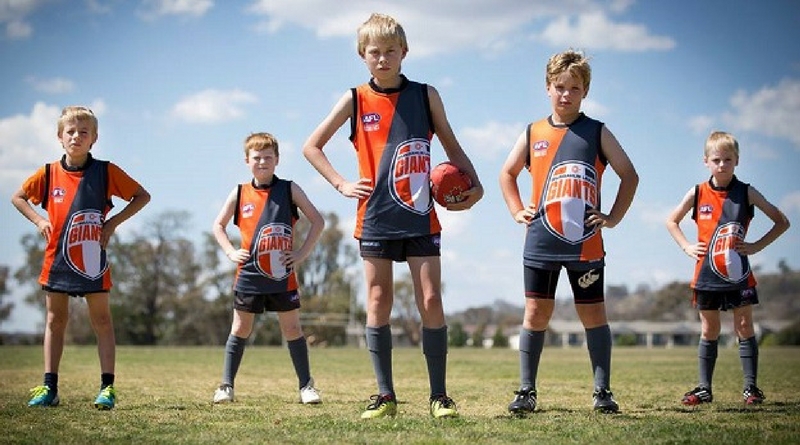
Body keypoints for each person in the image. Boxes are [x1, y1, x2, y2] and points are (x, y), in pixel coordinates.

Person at [303, 13, 483, 419]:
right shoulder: (353, 98)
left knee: (432, 300)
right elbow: (312, 146)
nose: (382, 59)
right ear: (362, 56)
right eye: (374, 53)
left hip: (421, 214)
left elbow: (452, 146)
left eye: (390, 51)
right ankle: (385, 396)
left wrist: (476, 184)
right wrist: (340, 184)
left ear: (404, 52)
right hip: (376, 217)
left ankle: (439, 397)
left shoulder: (426, 95)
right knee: (378, 300)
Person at [498, 49, 638, 415]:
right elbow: (507, 173)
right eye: (559, 87)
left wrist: (613, 217)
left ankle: (602, 391)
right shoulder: (533, 132)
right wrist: (517, 210)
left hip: (585, 245)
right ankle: (526, 391)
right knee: (535, 314)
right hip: (541, 242)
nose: (565, 94)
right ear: (547, 87)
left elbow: (629, 175)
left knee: (593, 316)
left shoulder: (597, 131)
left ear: (584, 92)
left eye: (574, 88)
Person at [11, 106, 151, 409]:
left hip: (92, 261)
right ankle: (50, 388)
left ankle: (107, 388)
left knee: (102, 320)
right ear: (60, 137)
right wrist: (38, 220)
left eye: (83, 132)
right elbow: (18, 197)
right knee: (54, 321)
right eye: (70, 132)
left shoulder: (106, 171)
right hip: (57, 261)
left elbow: (142, 195)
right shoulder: (48, 173)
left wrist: (112, 224)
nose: (76, 136)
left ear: (94, 139)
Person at [665, 131, 789, 406]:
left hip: (739, 276)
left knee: (744, 326)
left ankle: (751, 389)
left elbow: (782, 221)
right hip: (706, 276)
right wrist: (687, 246)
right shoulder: (697, 192)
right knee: (709, 330)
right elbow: (672, 221)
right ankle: (704, 388)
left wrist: (756, 246)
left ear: (737, 161)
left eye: (728, 160)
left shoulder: (746, 192)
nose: (722, 165)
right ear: (706, 161)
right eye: (716, 160)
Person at [212, 132, 325, 406]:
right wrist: (230, 251)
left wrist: (300, 254)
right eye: (257, 157)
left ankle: (306, 387)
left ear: (277, 160)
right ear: (246, 160)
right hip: (249, 276)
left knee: (293, 329)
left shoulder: (289, 189)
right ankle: (226, 386)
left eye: (268, 157)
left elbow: (317, 221)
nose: (262, 162)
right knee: (240, 328)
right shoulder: (239, 192)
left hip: (281, 275)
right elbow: (218, 226)